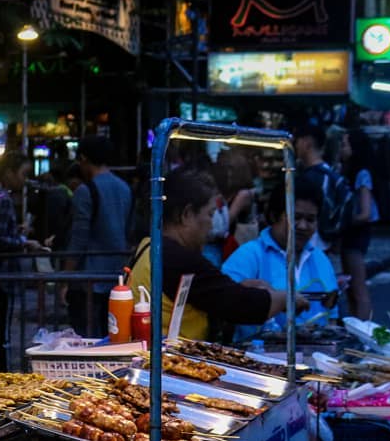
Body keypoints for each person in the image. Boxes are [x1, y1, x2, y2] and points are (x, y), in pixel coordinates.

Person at [128, 167, 304, 341]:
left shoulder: (150, 246)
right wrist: (285, 299)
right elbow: (240, 305)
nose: (212, 225)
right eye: (210, 214)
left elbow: (210, 295)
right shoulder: (177, 258)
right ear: (187, 215)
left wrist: (239, 288)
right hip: (170, 361)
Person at [222, 179, 337, 341]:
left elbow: (331, 317)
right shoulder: (248, 255)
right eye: (295, 217)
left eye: (310, 220)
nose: (303, 226)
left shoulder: (320, 259)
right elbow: (222, 307)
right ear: (275, 216)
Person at [0, 151, 43, 372]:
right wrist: (24, 241)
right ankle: (1, 373)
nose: (25, 180)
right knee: (1, 329)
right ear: (9, 173)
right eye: (23, 174)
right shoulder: (4, 200)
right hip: (2, 275)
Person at [64, 136, 133, 337]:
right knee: (112, 335)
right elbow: (128, 229)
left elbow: (78, 238)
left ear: (84, 159)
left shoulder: (85, 191)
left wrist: (65, 277)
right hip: (117, 278)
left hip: (88, 280)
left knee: (86, 338)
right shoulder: (125, 188)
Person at [338, 128, 379, 320]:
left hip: (356, 233)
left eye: (345, 144)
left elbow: (365, 212)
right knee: (351, 287)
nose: (341, 148)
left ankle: (364, 330)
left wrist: (342, 221)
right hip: (352, 233)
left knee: (358, 287)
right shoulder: (347, 171)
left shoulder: (361, 173)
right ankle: (357, 328)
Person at [294, 123, 353, 246]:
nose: (295, 146)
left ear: (307, 142)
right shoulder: (328, 173)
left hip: (313, 243)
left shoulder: (314, 178)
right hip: (323, 242)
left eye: (297, 141)